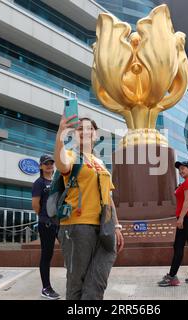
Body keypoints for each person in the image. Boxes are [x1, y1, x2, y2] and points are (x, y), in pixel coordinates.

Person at [54, 114, 124, 300]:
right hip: (77, 226)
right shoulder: (70, 155)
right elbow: (61, 164)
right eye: (80, 129)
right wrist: (61, 134)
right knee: (77, 280)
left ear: (96, 134)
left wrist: (116, 225)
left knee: (98, 276)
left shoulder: (100, 163)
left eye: (89, 129)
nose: (85, 132)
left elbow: (108, 197)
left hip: (103, 227)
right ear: (75, 135)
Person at [158, 161, 188, 286]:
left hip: (187, 218)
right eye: (179, 169)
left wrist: (181, 218)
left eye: (183, 168)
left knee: (178, 246)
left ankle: (172, 277)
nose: (181, 171)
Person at [32, 154, 60, 299]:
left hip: (60, 223)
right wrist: (45, 217)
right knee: (47, 255)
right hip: (46, 224)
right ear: (41, 166)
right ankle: (46, 288)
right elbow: (35, 206)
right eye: (46, 163)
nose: (49, 165)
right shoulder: (39, 183)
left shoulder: (57, 180)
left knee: (70, 251)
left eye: (51, 163)